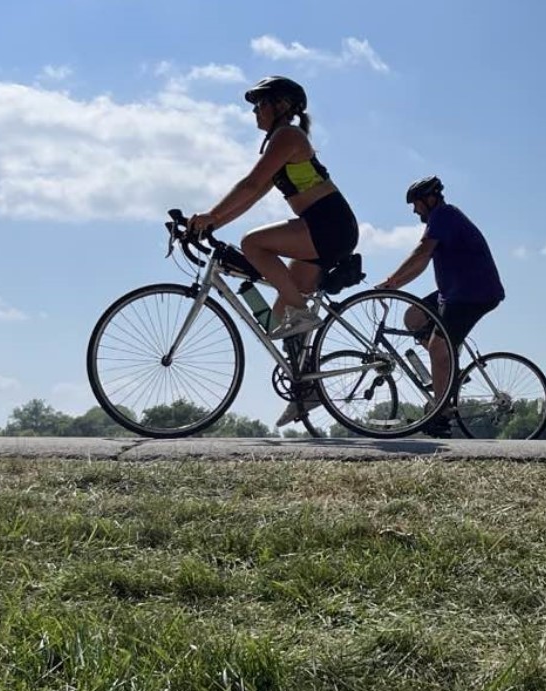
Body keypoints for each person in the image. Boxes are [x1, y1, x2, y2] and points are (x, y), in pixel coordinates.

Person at [186, 76, 359, 426]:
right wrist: (214, 224)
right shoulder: (277, 144)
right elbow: (253, 195)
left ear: (281, 106)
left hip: (328, 225)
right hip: (324, 228)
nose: (254, 111)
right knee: (281, 319)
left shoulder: (288, 137)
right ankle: (307, 389)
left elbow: (249, 184)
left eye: (260, 104)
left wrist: (210, 216)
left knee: (252, 244)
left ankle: (302, 312)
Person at [376, 176, 505, 436]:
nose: (414, 210)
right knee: (413, 317)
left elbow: (421, 255)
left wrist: (391, 282)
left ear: (429, 199)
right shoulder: (441, 218)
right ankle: (450, 366)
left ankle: (441, 411)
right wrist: (395, 284)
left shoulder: (444, 215)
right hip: (453, 292)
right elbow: (421, 261)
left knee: (438, 346)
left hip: (473, 292)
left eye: (416, 204)